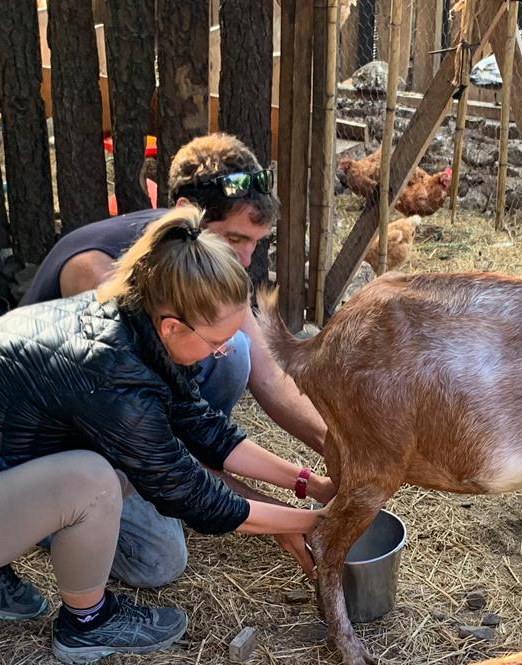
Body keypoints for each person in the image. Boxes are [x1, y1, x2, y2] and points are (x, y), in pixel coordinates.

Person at [0, 209, 334, 665]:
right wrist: (314, 523)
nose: (224, 351)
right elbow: (190, 495)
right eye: (216, 343)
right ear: (173, 326)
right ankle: (86, 624)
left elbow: (204, 426)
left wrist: (308, 485)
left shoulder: (133, 320)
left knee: (130, 514)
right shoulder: (111, 373)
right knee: (91, 479)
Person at [25, 134, 329, 586]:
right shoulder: (100, 279)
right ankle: (36, 522)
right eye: (235, 238)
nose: (245, 259)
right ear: (188, 210)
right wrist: (281, 518)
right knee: (158, 561)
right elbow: (155, 445)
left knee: (234, 353)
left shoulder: (195, 260)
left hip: (129, 422)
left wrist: (334, 451)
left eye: (255, 243)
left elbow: (268, 376)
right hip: (55, 446)